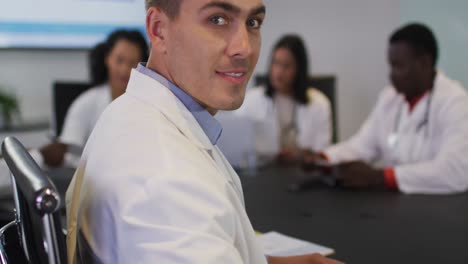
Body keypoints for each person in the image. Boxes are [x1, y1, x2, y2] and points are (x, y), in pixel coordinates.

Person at [66, 1, 342, 263]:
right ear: (158, 29)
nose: (244, 48)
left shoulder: (128, 113)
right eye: (217, 19)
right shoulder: (166, 180)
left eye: (253, 22)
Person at [304, 23, 468, 194]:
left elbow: (454, 171)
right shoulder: (390, 98)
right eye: (390, 65)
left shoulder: (455, 102)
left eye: (398, 66)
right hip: (397, 206)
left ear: (425, 63)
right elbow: (363, 144)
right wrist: (324, 157)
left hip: (442, 210)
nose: (391, 74)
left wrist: (381, 176)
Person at [38, 29, 148, 167]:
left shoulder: (146, 104)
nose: (125, 70)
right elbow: (66, 152)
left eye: (132, 63)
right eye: (119, 60)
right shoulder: (86, 102)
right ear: (107, 59)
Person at [236, 35, 332, 164]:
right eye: (276, 63)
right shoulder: (250, 100)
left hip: (304, 172)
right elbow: (237, 147)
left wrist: (300, 154)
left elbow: (322, 153)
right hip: (264, 173)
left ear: (299, 69)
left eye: (286, 66)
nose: (278, 72)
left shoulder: (319, 103)